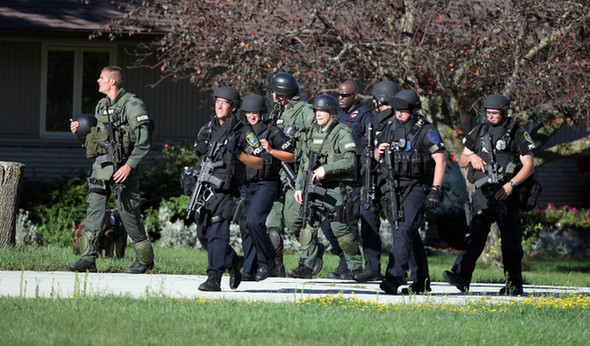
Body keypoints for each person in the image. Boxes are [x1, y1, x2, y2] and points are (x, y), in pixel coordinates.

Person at [443, 94, 535, 296]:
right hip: (484, 194)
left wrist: (511, 185)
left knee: (511, 242)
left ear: (504, 112)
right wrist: (473, 156)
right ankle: (461, 276)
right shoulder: (479, 130)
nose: (491, 116)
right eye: (488, 113)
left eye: (495, 113)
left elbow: (529, 165)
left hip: (507, 194)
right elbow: (462, 160)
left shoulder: (517, 133)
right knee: (475, 236)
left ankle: (514, 285)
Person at [67, 66, 154, 274]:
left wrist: (129, 166)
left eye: (102, 77)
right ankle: (88, 257)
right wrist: (80, 133)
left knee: (128, 214)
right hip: (101, 169)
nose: (98, 80)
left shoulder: (132, 104)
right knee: (94, 212)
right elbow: (97, 139)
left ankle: (145, 260)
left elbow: (144, 141)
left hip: (123, 169)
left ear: (113, 82)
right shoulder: (101, 106)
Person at [374, 89, 446, 294]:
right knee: (409, 234)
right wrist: (378, 151)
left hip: (418, 187)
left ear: (413, 110)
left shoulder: (426, 130)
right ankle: (421, 282)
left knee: (404, 230)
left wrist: (435, 190)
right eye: (396, 110)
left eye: (403, 111)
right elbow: (376, 155)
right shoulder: (390, 126)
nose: (399, 114)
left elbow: (440, 160)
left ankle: (394, 277)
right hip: (394, 187)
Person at [192, 86, 263, 291]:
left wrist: (239, 154)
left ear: (233, 107)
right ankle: (232, 261)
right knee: (202, 230)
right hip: (205, 188)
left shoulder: (243, 131)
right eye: (217, 101)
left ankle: (214, 278)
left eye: (224, 102)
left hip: (227, 190)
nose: (219, 105)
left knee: (216, 230)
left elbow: (259, 161)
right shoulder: (208, 127)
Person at [289, 94, 363, 279]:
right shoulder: (312, 132)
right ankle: (306, 266)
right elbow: (304, 163)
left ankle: (355, 268)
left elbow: (350, 161)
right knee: (309, 224)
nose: (318, 114)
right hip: (315, 187)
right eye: (316, 110)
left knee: (340, 229)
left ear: (331, 112)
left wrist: (327, 169)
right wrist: (299, 187)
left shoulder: (341, 131)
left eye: (322, 110)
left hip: (337, 188)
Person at [319, 80, 377, 280]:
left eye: (345, 95)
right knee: (330, 224)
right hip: (335, 178)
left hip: (357, 178)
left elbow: (371, 147)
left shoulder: (365, 116)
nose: (341, 98)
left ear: (355, 96)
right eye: (339, 94)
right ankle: (344, 259)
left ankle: (357, 267)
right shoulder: (336, 115)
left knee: (350, 222)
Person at [264, 72, 317, 277]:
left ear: (281, 93)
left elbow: (315, 136)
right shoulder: (275, 113)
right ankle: (276, 266)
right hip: (276, 174)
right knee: (272, 223)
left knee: (295, 219)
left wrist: (296, 134)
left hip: (295, 174)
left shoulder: (305, 111)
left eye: (273, 92)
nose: (271, 95)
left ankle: (310, 257)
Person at [239, 94, 295, 281]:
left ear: (261, 112)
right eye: (248, 112)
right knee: (245, 225)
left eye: (254, 112)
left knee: (255, 221)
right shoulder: (242, 130)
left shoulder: (272, 131)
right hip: (246, 184)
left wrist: (271, 150)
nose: (251, 116)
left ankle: (266, 262)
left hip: (267, 182)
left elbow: (291, 155)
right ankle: (249, 267)